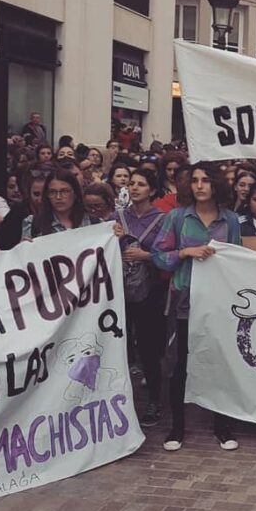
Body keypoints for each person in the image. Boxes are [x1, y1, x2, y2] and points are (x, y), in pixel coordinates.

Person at [152, 163, 241, 452]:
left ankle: (222, 426)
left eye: (205, 180)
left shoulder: (231, 221)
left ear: (217, 184)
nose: (200, 185)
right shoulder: (177, 218)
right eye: (195, 180)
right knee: (179, 365)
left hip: (218, 304)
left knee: (219, 363)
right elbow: (158, 256)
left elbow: (238, 260)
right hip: (184, 302)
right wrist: (184, 252)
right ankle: (177, 427)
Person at [114, 169, 166, 427]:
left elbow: (170, 254)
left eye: (141, 184)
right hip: (119, 290)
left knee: (148, 348)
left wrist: (147, 256)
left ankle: (154, 401)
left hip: (150, 291)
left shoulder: (162, 219)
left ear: (152, 190)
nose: (134, 188)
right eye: (132, 183)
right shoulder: (118, 217)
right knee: (119, 347)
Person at [23, 169, 97, 239]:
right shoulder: (33, 223)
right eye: (52, 192)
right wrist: (24, 246)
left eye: (65, 191)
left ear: (75, 193)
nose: (58, 197)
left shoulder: (94, 222)